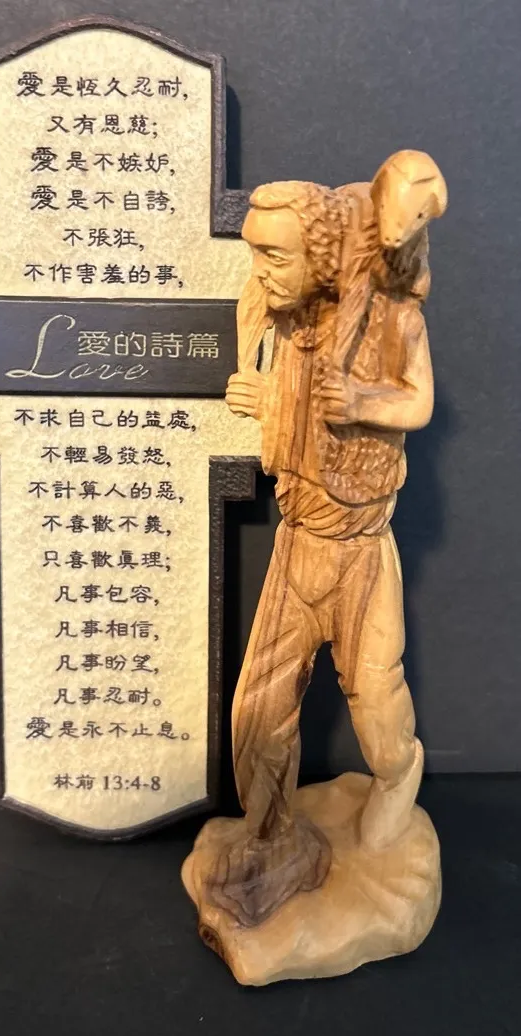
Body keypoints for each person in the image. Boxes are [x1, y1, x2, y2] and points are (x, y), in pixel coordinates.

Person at [216, 178, 434, 926]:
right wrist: (263, 398)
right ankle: (269, 836)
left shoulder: (393, 319)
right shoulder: (293, 323)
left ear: (321, 252)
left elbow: (417, 402)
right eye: (255, 253)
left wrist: (365, 402)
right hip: (298, 543)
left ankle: (400, 777)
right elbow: (290, 408)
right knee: (258, 708)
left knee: (375, 698)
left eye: (274, 256)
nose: (260, 272)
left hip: (362, 551)